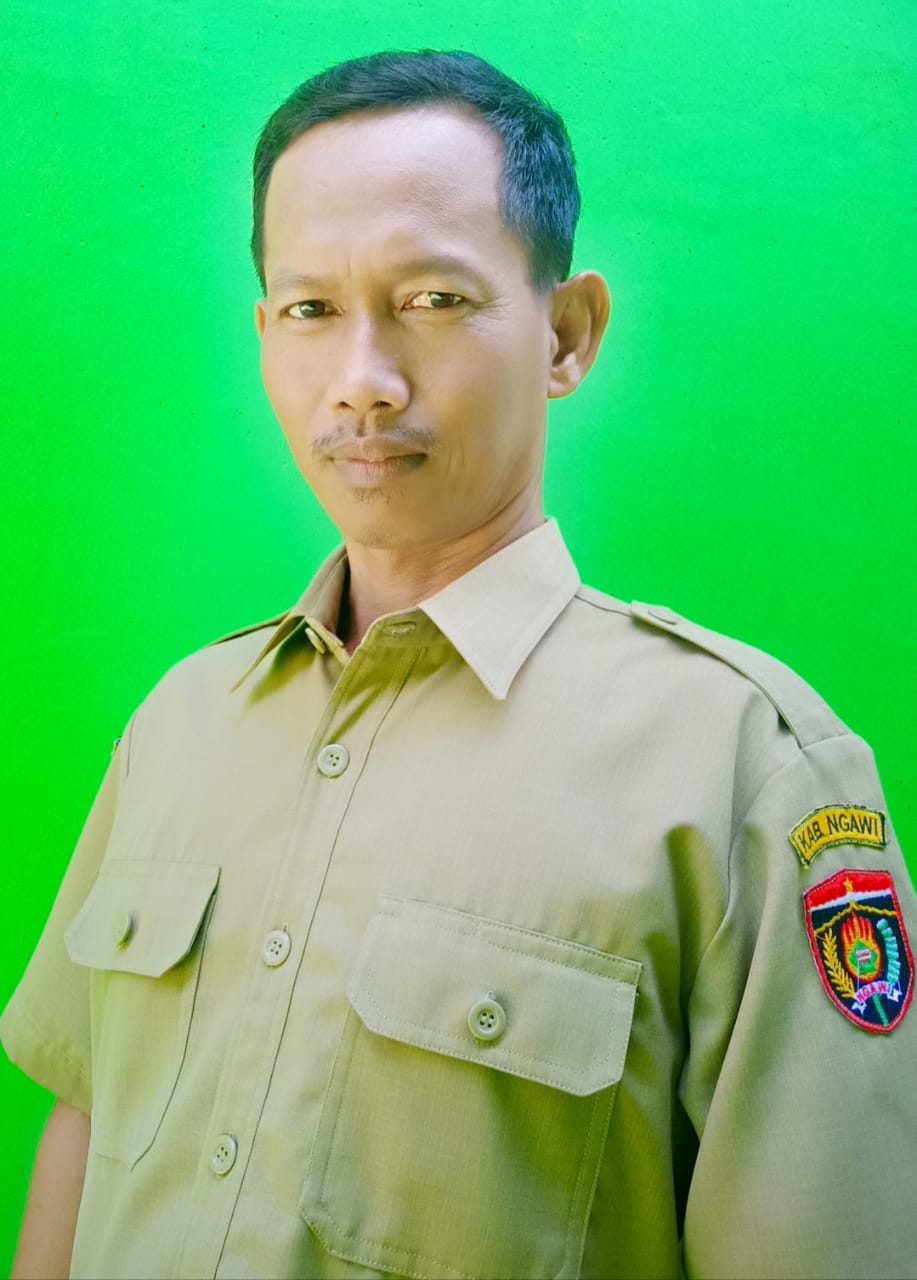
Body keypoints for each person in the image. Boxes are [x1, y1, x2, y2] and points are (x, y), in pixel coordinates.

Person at [2, 47, 914, 1280]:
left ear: (565, 333)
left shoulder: (748, 768)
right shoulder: (180, 720)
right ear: (264, 332)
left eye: (432, 299)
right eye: (309, 310)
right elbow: (87, 1121)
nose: (361, 384)